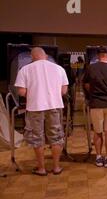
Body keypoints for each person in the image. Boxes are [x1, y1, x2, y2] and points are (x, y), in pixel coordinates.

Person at [14, 47, 69, 176]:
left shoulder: (25, 69)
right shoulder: (59, 69)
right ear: (46, 56)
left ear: (32, 57)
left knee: (37, 137)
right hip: (55, 105)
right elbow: (64, 91)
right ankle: (56, 167)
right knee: (56, 136)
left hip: (35, 107)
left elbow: (21, 91)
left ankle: (41, 168)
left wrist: (35, 94)